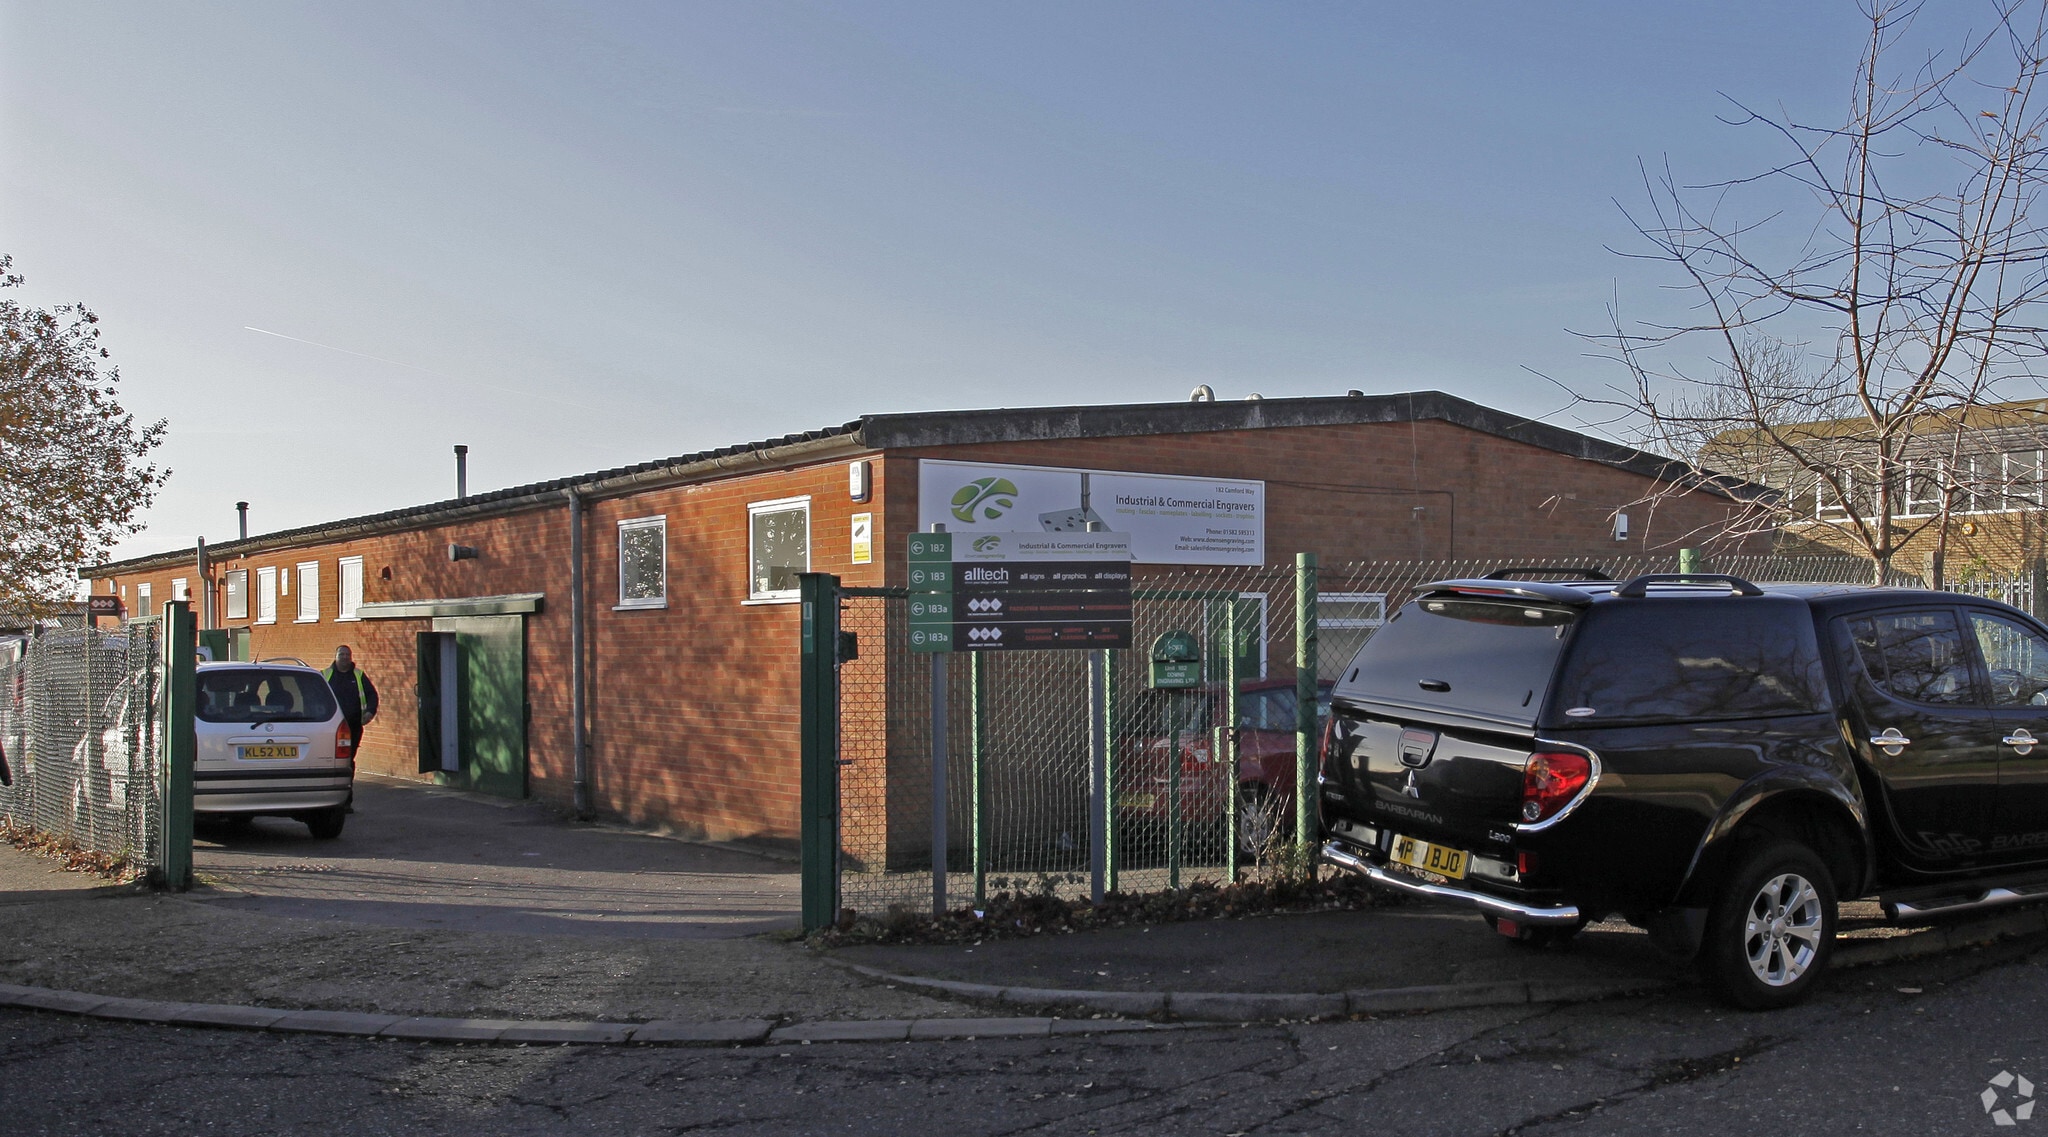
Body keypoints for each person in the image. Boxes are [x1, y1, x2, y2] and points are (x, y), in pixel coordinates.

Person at [322, 645, 379, 753]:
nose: (345, 657)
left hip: (353, 725)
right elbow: (315, 697)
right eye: (341, 654)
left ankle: (348, 769)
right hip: (330, 725)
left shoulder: (359, 675)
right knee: (330, 755)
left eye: (348, 655)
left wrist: (370, 712)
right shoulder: (325, 675)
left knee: (348, 755)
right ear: (335, 656)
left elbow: (372, 695)